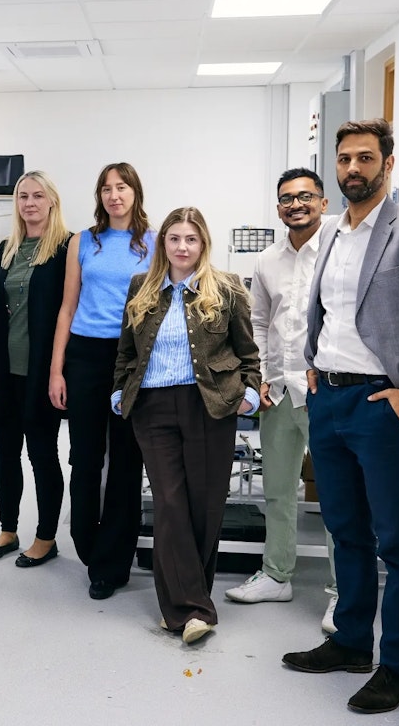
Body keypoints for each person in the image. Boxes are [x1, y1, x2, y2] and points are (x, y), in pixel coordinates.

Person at [283, 119, 399, 715]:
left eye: (366, 158)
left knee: (395, 542)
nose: (353, 168)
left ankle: (396, 665)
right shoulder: (332, 232)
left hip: (384, 406)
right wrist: (313, 364)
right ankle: (351, 642)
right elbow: (327, 311)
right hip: (330, 400)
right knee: (345, 530)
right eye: (345, 158)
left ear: (388, 163)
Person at [112, 207, 260, 644]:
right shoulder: (141, 287)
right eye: (174, 238)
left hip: (210, 405)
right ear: (163, 243)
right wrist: (119, 391)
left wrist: (250, 393)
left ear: (202, 244)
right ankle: (193, 610)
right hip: (152, 407)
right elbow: (126, 351)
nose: (182, 247)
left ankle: (182, 604)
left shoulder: (226, 288)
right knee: (171, 503)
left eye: (191, 239)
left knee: (205, 505)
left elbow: (248, 352)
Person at [225, 168, 338, 632]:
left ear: (323, 202)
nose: (297, 204)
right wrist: (261, 379)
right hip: (279, 392)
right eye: (288, 198)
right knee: (277, 490)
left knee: (337, 496)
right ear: (278, 208)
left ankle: (342, 592)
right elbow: (259, 322)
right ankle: (276, 575)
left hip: (326, 391)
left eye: (306, 196)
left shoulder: (338, 250)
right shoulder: (267, 260)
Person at [49, 162, 154, 600]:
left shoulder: (154, 243)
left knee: (127, 462)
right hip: (85, 357)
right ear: (100, 196)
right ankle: (88, 545)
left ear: (135, 193)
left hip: (130, 358)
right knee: (86, 458)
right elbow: (67, 307)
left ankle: (113, 563)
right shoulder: (82, 241)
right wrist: (56, 369)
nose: (114, 195)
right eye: (107, 189)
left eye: (122, 187)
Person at [0, 171, 71, 566]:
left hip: (42, 372)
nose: (30, 203)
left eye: (38, 196)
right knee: (5, 452)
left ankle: (46, 537)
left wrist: (61, 372)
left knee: (42, 454)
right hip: (5, 370)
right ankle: (8, 530)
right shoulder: (6, 248)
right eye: (23, 196)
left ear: (52, 201)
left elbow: (69, 312)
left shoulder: (66, 248)